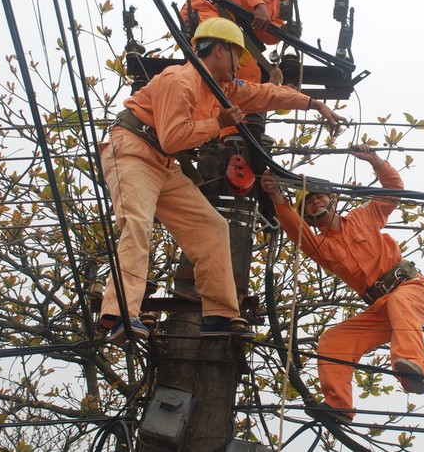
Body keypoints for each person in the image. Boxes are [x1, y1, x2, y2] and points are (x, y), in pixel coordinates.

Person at [99, 17, 346, 343]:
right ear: (217, 50)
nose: (239, 65)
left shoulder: (222, 88)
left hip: (161, 163)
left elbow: (267, 93)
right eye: (236, 56)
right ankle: (120, 314)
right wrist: (218, 122)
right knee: (137, 225)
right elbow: (173, 138)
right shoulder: (180, 81)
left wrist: (313, 103)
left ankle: (218, 316)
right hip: (132, 152)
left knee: (212, 227)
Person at [260, 146, 424, 423]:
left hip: (412, 290)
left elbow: (394, 190)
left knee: (399, 301)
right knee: (333, 340)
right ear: (306, 215)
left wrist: (376, 161)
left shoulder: (363, 216)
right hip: (383, 308)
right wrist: (274, 194)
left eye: (319, 197)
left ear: (332, 201)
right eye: (309, 202)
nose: (316, 202)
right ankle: (340, 406)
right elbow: (293, 227)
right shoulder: (320, 245)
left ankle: (412, 368)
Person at [181, 0, 333, 83]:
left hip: (229, 27)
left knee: (250, 74)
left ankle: (231, 112)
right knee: (223, 60)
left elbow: (264, 34)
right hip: (206, 6)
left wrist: (285, 31)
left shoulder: (283, 0)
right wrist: (258, 4)